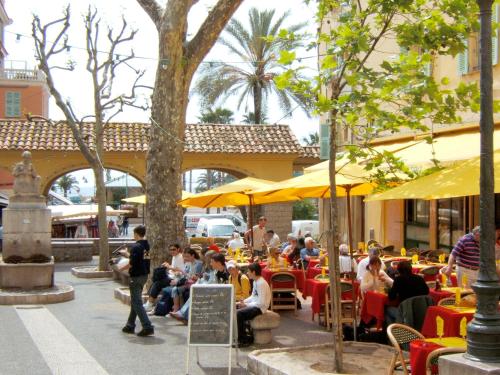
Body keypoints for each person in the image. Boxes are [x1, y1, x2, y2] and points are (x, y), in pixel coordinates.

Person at [170, 252, 229, 324]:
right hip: (216, 292)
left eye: (212, 262)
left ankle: (184, 315)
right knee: (196, 293)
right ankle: (184, 315)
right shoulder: (216, 271)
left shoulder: (227, 272)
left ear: (218, 263)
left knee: (198, 295)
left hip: (223, 295)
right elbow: (212, 283)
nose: (210, 263)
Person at [121, 225, 154, 336]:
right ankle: (130, 325)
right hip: (144, 275)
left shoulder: (136, 247)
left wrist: (120, 268)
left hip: (136, 276)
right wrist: (128, 254)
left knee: (136, 302)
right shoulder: (146, 246)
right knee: (136, 301)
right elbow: (141, 259)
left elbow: (132, 263)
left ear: (136, 234)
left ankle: (147, 326)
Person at [236, 262, 271, 347]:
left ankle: (243, 339)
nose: (247, 273)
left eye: (249, 271)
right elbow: (253, 296)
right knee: (235, 307)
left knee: (239, 314)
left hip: (260, 308)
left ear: (254, 272)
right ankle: (239, 335)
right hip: (255, 305)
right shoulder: (256, 281)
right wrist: (243, 302)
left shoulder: (261, 283)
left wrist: (246, 305)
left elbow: (261, 303)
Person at [171, 248, 203, 312]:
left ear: (193, 256)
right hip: (188, 282)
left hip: (194, 283)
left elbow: (195, 277)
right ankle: (176, 309)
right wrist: (179, 274)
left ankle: (176, 310)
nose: (185, 258)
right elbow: (185, 275)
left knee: (175, 289)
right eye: (184, 257)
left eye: (187, 256)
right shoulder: (188, 263)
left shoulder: (198, 264)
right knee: (174, 287)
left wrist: (181, 271)